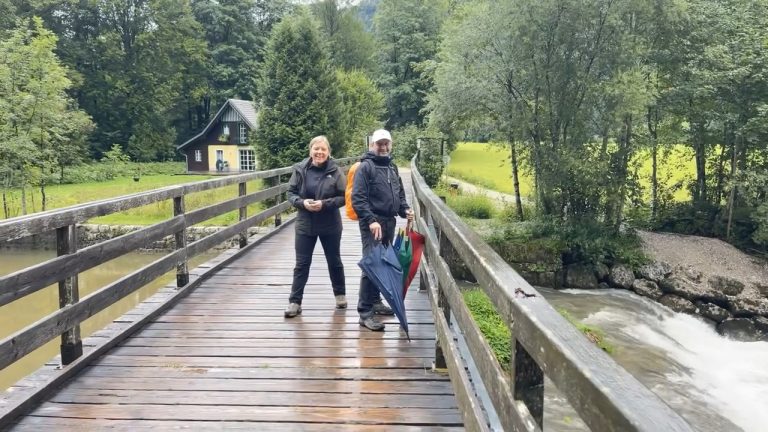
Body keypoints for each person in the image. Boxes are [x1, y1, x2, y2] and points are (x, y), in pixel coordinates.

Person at [352, 129, 414, 331]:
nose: (383, 147)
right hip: (373, 224)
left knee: (384, 263)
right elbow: (358, 199)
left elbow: (400, 194)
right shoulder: (365, 167)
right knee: (372, 264)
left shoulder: (392, 167)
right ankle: (365, 312)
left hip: (389, 222)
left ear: (391, 145)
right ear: (372, 146)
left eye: (386, 143)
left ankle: (376, 301)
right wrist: (370, 220)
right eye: (380, 144)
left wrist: (405, 210)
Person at [284, 135, 347, 318]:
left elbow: (344, 197)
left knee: (334, 261)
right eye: (316, 149)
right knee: (302, 264)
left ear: (329, 152)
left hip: (330, 224)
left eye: (323, 149)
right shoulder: (300, 169)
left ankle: (340, 295)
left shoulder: (335, 171)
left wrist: (325, 204)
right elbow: (291, 192)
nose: (319, 152)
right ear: (310, 150)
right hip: (305, 223)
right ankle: (295, 302)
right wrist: (302, 203)